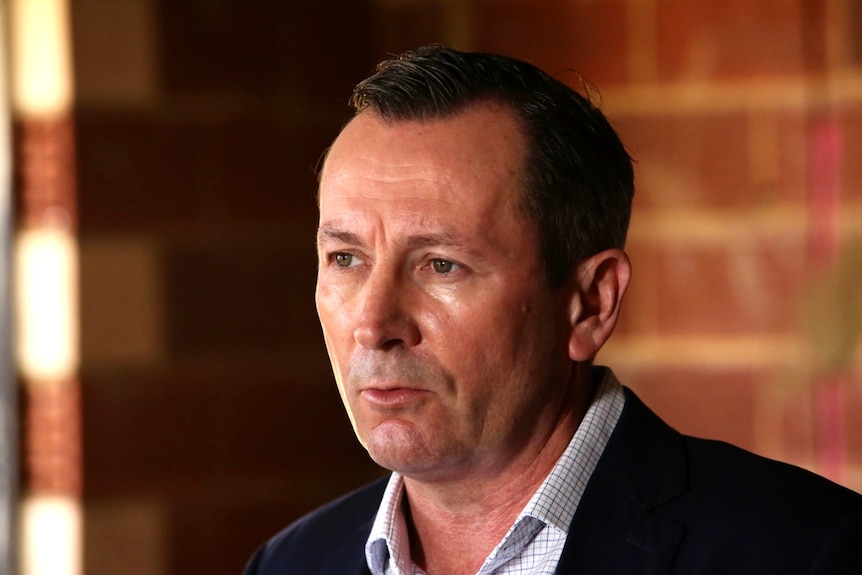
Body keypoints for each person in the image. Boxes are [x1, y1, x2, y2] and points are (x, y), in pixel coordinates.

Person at [243, 45, 862, 575]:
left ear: (591, 303)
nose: (374, 327)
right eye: (346, 259)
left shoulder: (806, 551)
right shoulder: (292, 562)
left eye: (441, 265)